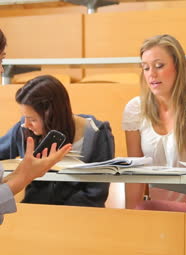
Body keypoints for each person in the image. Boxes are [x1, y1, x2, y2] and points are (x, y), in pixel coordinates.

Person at [122, 34, 186, 212]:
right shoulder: (135, 109)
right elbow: (134, 176)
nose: (152, 74)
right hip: (157, 211)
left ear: (177, 66)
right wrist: (129, 218)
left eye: (159, 66)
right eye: (145, 68)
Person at [0, 75, 115, 207]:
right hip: (35, 211)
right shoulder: (22, 130)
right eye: (24, 117)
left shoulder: (97, 133)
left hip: (82, 214)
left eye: (32, 119)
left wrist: (57, 214)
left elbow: (96, 193)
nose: (26, 124)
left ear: (51, 116)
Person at [0, 28, 72, 224]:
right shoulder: (20, 132)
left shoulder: (95, 131)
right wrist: (24, 176)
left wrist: (20, 175)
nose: (2, 70)